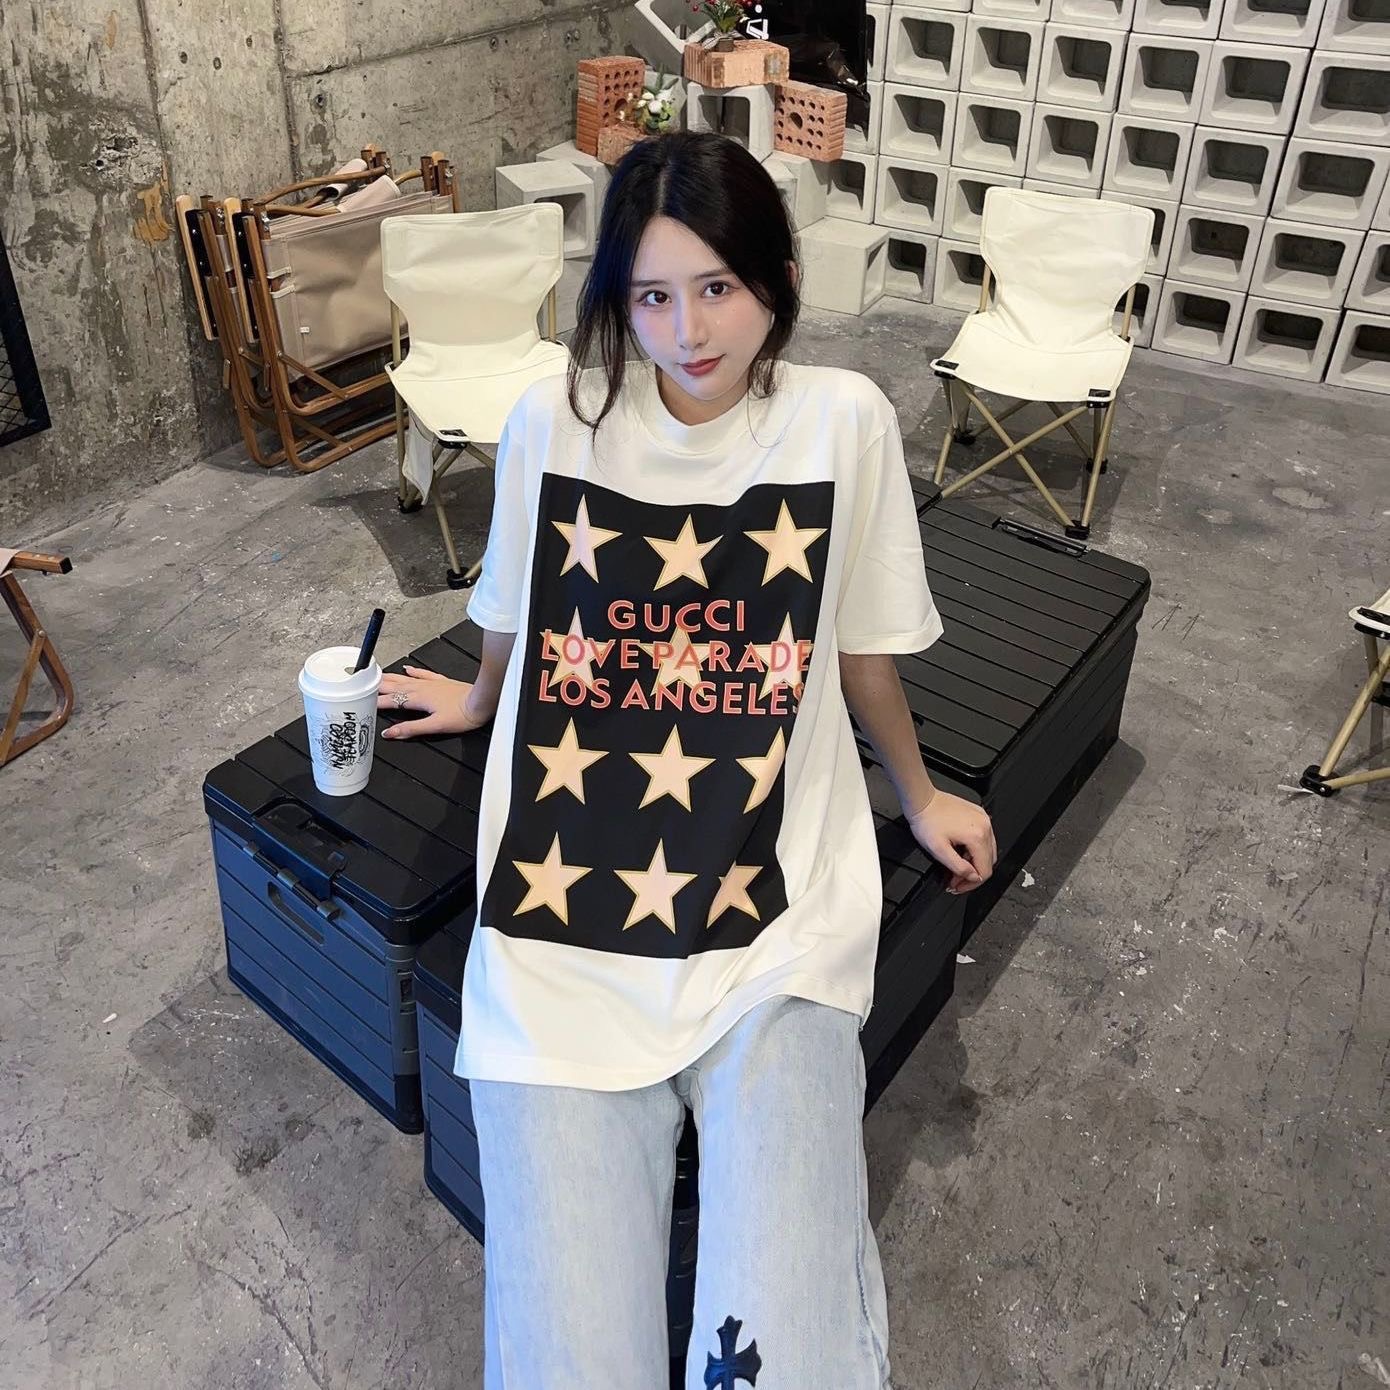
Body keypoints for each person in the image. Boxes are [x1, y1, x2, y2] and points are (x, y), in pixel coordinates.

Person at [378, 130, 996, 1390]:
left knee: (778, 1360)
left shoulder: (842, 422)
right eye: (651, 295)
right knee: (567, 1365)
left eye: (717, 286)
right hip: (563, 937)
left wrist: (918, 792)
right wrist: (483, 700)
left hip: (772, 932)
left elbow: (861, 649)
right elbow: (513, 605)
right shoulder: (551, 421)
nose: (686, 331)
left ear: (777, 279)